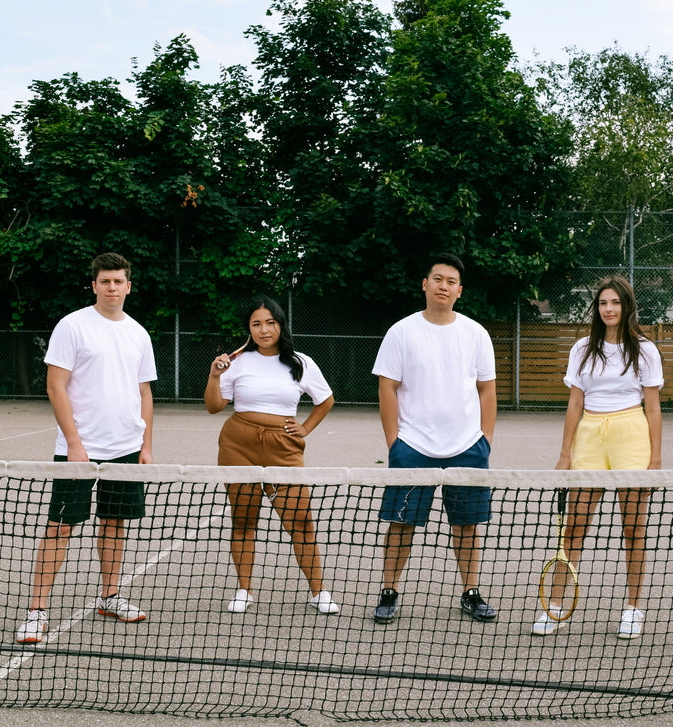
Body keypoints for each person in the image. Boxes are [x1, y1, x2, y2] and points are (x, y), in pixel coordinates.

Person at [16, 252, 157, 644]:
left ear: (129, 286)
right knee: (59, 527)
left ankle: (110, 596)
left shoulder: (139, 333)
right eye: (105, 281)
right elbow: (55, 385)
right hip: (79, 450)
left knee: (115, 524)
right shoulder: (73, 326)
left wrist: (145, 446)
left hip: (126, 448)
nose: (112, 287)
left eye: (119, 281)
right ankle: (37, 610)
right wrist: (75, 444)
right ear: (94, 285)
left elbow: (144, 392)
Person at [533, 275, 663, 639]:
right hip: (589, 437)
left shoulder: (645, 350)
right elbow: (575, 402)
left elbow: (652, 408)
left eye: (615, 303)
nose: (609, 309)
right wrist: (564, 454)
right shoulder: (581, 349)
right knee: (573, 528)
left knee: (633, 529)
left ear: (627, 306)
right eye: (603, 303)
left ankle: (634, 610)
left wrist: (655, 461)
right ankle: (555, 606)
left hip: (631, 436)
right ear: (598, 308)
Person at [371, 253, 498, 624]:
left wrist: (484, 440)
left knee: (467, 526)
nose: (444, 286)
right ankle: (389, 591)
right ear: (425, 284)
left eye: (451, 281)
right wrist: (395, 442)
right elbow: (387, 388)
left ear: (460, 290)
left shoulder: (476, 333)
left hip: (468, 448)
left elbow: (487, 391)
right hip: (412, 448)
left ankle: (471, 593)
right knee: (401, 524)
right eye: (437, 279)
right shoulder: (401, 332)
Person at [204, 296, 339, 615]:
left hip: (284, 447)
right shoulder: (235, 362)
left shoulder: (301, 362)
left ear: (280, 325)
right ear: (249, 329)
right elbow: (213, 406)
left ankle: (318, 592)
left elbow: (326, 399)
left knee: (301, 521)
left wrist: (305, 428)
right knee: (243, 521)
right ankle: (244, 590)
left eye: (270, 322)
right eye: (256, 324)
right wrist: (214, 375)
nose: (264, 329)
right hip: (238, 444)